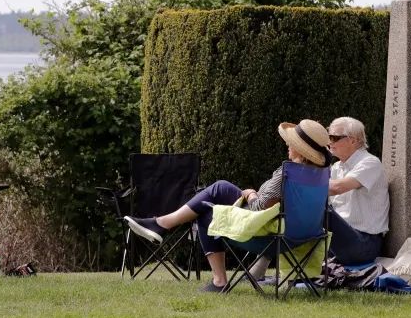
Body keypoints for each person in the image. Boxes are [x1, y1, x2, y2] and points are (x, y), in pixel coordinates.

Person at [125, 119, 333, 292]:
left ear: (302, 152)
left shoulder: (288, 174)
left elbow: (258, 208)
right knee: (219, 189)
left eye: (292, 143)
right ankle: (162, 223)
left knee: (208, 213)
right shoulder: (318, 176)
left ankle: (218, 280)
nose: (288, 145)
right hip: (302, 236)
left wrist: (250, 193)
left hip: (268, 236)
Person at [325, 116, 390, 265]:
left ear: (353, 140)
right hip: (340, 240)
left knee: (317, 210)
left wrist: (300, 187)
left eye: (334, 138)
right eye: (329, 137)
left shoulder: (370, 163)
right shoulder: (336, 168)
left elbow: (337, 188)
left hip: (364, 243)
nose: (330, 142)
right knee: (295, 214)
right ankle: (262, 270)